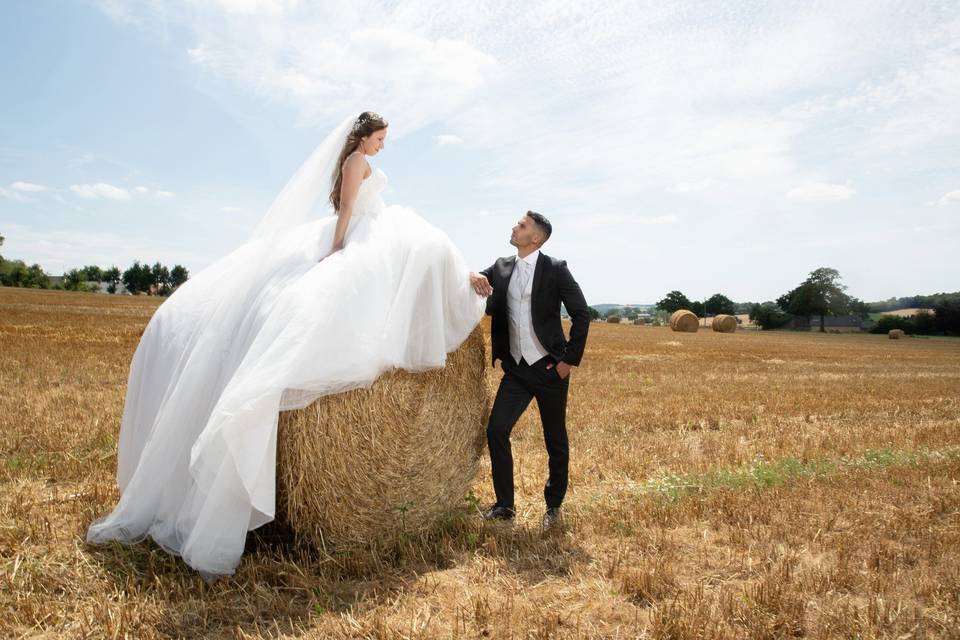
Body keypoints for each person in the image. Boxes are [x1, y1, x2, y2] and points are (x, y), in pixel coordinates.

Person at [87, 112, 487, 580]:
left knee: (427, 250)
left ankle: (463, 281)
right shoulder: (356, 163)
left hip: (373, 234)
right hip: (357, 235)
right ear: (361, 137)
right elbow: (347, 211)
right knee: (403, 261)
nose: (382, 146)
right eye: (379, 139)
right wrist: (338, 250)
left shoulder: (360, 161)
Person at [469, 212, 590, 530]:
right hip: (517, 370)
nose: (514, 227)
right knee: (496, 431)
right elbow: (473, 280)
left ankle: (553, 506)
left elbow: (581, 314)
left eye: (521, 225)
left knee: (555, 439)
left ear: (536, 238)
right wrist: (469, 275)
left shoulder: (556, 269)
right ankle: (505, 505)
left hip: (550, 369)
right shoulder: (501, 266)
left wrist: (568, 360)